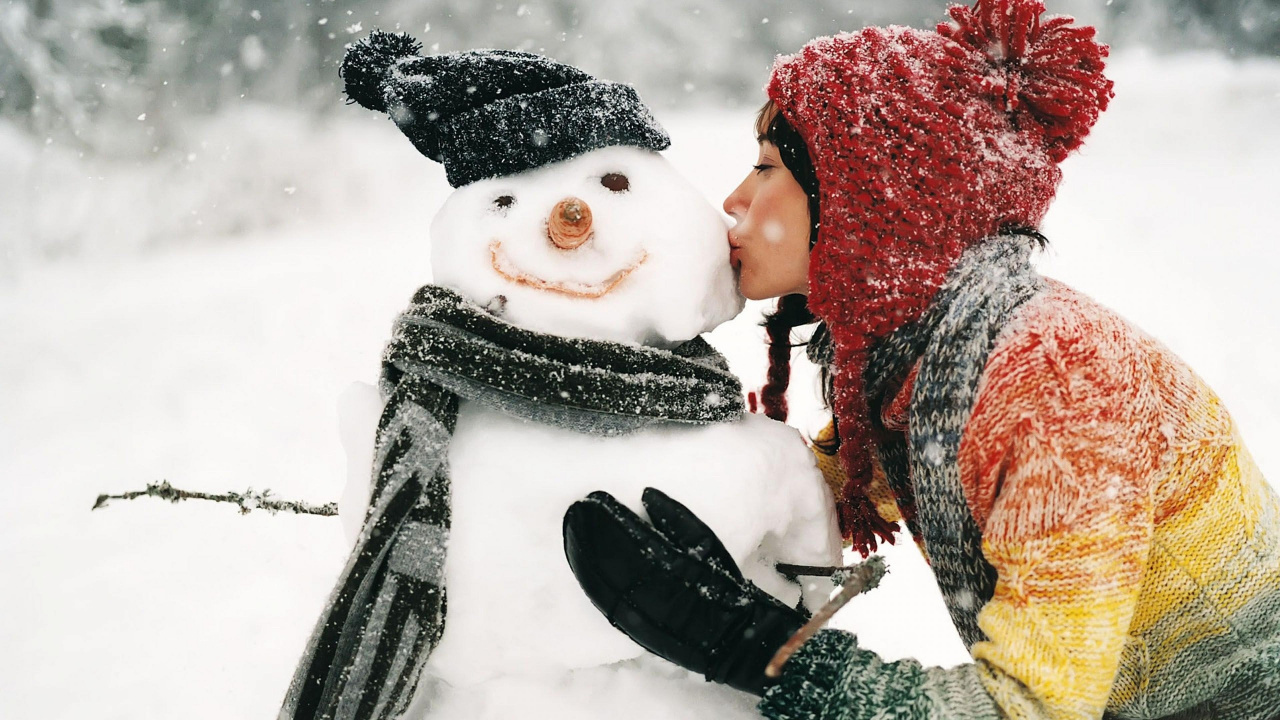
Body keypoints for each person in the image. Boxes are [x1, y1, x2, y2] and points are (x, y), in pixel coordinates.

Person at [561, 0, 1280, 718]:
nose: (735, 197)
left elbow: (1027, 710)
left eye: (767, 165)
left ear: (865, 199)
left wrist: (759, 650)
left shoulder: (1052, 383)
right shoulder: (924, 360)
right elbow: (818, 490)